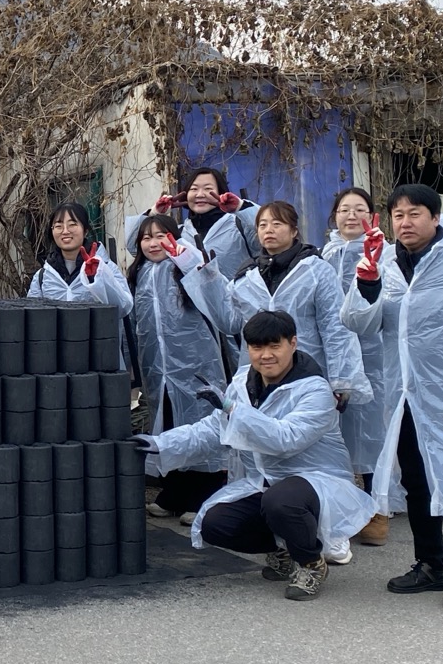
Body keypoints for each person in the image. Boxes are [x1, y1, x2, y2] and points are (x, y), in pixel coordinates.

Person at [341, 184, 443, 611]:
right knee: (416, 482)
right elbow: (358, 324)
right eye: (397, 215)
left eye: (414, 214)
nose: (405, 222)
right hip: (404, 399)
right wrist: (366, 283)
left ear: (435, 218)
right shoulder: (388, 269)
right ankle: (430, 564)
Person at [132, 311, 377, 602]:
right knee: (214, 524)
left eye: (275, 346)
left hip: (316, 482)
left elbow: (285, 439)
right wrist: (159, 444)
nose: (266, 355)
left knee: (282, 500)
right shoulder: (243, 384)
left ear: (293, 343)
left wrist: (232, 410)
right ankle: (281, 550)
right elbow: (213, 431)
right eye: (257, 347)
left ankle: (310, 563)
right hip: (263, 482)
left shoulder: (316, 391)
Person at [185, 200, 372, 415]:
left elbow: (335, 328)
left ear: (294, 231)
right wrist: (210, 280)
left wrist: (341, 381)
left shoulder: (316, 270)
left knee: (306, 438)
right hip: (258, 376)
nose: (269, 230)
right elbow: (231, 322)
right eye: (262, 225)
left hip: (307, 372)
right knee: (261, 437)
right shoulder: (247, 275)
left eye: (277, 224)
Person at [123, 214, 229, 524]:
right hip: (159, 369)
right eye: (147, 237)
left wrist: (186, 259)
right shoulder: (138, 274)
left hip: (196, 365)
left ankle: (205, 494)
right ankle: (175, 493)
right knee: (168, 425)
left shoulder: (185, 268)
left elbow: (214, 293)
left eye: (161, 236)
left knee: (201, 426)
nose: (154, 243)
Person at [322, 187, 392, 545]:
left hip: (372, 355)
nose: (351, 216)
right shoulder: (323, 255)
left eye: (360, 210)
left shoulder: (386, 253)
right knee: (335, 433)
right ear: (333, 215)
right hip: (330, 355)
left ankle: (378, 507)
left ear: (372, 216)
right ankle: (343, 507)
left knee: (370, 432)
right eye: (344, 209)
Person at [26, 202, 133, 358]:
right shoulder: (43, 276)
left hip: (98, 360)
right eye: (58, 226)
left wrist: (97, 277)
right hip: (55, 361)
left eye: (72, 224)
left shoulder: (106, 267)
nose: (65, 231)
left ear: (85, 230)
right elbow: (32, 318)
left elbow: (124, 307)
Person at [152, 166, 261, 281]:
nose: (200, 194)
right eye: (194, 189)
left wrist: (241, 207)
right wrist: (155, 212)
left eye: (208, 189)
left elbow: (270, 231)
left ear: (221, 192)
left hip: (240, 298)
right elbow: (137, 248)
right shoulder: (178, 233)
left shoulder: (239, 224)